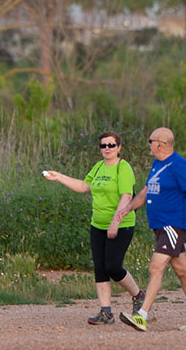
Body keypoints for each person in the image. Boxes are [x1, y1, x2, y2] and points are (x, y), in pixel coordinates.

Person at [118, 126, 186, 333]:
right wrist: (127, 209)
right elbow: (146, 191)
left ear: (160, 144)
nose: (149, 145)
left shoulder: (179, 165)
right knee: (182, 270)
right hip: (160, 226)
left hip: (173, 225)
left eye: (150, 141)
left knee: (156, 266)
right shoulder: (157, 164)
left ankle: (142, 315)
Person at [43, 131, 146, 325]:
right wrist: (60, 177)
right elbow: (84, 186)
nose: (107, 149)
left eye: (111, 145)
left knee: (113, 266)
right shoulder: (98, 167)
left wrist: (116, 220)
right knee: (100, 267)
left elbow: (126, 196)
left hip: (121, 224)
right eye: (103, 145)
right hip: (97, 225)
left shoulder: (123, 168)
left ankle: (138, 295)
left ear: (119, 148)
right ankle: (106, 312)